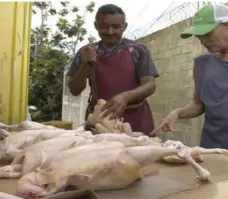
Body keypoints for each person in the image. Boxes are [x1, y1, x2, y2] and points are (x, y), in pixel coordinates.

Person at [67, 4, 159, 136]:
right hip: (100, 121)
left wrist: (125, 97)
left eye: (116, 27)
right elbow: (74, 90)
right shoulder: (86, 52)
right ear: (96, 25)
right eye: (104, 26)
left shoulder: (138, 50)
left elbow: (150, 85)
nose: (110, 32)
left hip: (136, 119)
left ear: (124, 26)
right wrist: (85, 65)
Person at [153, 4, 228, 149]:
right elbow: (199, 105)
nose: (203, 40)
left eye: (207, 33)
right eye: (199, 36)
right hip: (213, 149)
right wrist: (178, 113)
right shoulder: (202, 64)